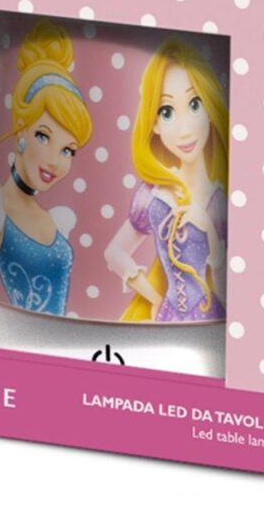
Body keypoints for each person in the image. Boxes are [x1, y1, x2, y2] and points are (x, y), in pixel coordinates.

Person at [0, 19, 93, 317]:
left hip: (65, 334)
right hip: (15, 329)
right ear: (21, 129)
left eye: (67, 150)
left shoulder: (53, 218)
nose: (55, 160)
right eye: (43, 136)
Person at [104, 36, 229, 322]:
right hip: (167, 317)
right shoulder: (154, 196)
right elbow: (114, 252)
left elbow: (229, 289)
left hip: (210, 322)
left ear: (210, 109)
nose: (185, 130)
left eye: (195, 104)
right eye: (167, 112)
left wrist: (208, 227)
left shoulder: (220, 198)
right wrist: (153, 296)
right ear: (155, 124)